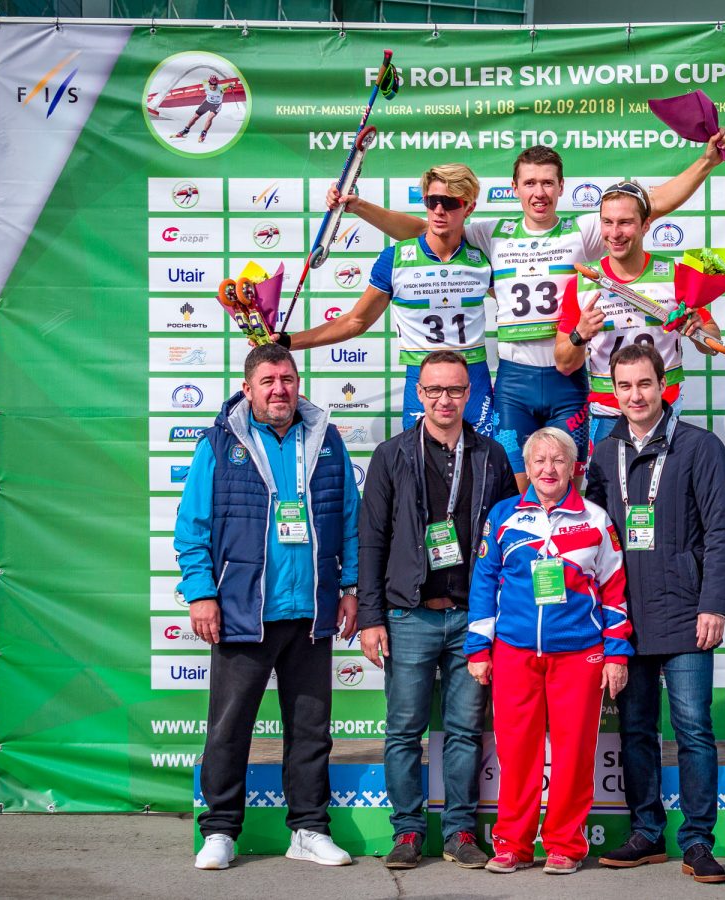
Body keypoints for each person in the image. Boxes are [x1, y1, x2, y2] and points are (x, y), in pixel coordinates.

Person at [326, 135, 725, 487]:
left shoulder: (583, 230)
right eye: (529, 183)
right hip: (514, 381)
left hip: (567, 379)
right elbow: (422, 229)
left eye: (547, 183)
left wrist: (705, 161)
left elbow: (653, 204)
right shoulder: (492, 233)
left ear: (561, 187)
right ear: (515, 188)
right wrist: (358, 207)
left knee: (572, 486)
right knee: (514, 485)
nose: (539, 192)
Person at [174, 343, 360, 870]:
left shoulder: (325, 439)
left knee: (311, 731)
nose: (280, 390)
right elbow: (192, 527)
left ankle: (308, 829)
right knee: (229, 728)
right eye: (269, 381)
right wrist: (201, 593)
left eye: (288, 380)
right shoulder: (219, 442)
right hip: (242, 610)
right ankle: (220, 830)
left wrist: (350, 587)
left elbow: (349, 519)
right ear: (248, 388)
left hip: (311, 612)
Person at [358, 349, 518, 870]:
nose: (444, 399)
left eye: (454, 390)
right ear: (419, 393)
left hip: (471, 616)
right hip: (409, 615)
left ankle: (460, 832)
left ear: (469, 394)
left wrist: (498, 617)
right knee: (404, 731)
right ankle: (407, 832)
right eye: (433, 390)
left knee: (465, 731)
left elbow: (505, 539)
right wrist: (371, 617)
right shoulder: (391, 455)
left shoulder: (492, 455)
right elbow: (371, 539)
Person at [585, 344, 725, 884]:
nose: (635, 396)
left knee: (693, 729)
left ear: (663, 384)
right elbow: (593, 539)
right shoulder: (603, 453)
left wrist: (714, 604)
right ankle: (647, 833)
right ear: (613, 391)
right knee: (635, 730)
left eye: (644, 384)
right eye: (624, 386)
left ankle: (697, 842)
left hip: (686, 615)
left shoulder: (701, 447)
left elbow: (722, 534)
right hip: (626, 618)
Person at [465, 426, 631, 875]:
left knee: (574, 753)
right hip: (514, 652)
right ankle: (512, 845)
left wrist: (616, 655)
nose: (548, 469)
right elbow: (484, 583)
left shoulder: (596, 519)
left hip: (580, 654)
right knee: (517, 753)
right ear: (527, 467)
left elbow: (615, 591)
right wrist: (478, 647)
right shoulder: (503, 515)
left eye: (558, 460)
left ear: (574, 467)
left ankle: (564, 844)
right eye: (539, 460)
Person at [284, 164, 495, 435]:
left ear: (469, 208)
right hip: (423, 377)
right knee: (422, 460)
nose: (439, 210)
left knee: (484, 460)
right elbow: (356, 321)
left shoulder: (483, 256)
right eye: (432, 201)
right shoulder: (395, 259)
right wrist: (288, 342)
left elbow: (518, 307)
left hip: (473, 379)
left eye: (450, 203)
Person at [554, 180, 719, 446]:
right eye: (607, 222)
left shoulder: (674, 274)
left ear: (645, 225)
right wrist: (579, 335)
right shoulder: (582, 283)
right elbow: (564, 363)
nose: (615, 233)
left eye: (625, 222)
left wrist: (699, 329)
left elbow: (713, 344)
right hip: (609, 414)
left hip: (663, 409)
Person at [172, 74, 224, 143]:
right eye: (212, 84)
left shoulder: (222, 88)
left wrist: (232, 85)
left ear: (217, 83)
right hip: (207, 103)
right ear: (209, 83)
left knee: (209, 118)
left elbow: (230, 84)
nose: (213, 86)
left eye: (215, 84)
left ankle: (203, 133)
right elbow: (204, 80)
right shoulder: (205, 84)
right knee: (195, 116)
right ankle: (185, 130)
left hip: (216, 105)